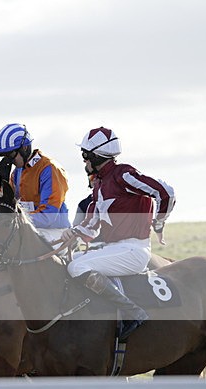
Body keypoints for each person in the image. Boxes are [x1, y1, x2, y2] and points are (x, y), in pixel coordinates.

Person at [61, 127, 175, 340]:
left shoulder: (123, 174)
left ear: (95, 155)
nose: (84, 162)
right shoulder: (100, 185)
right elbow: (91, 225)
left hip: (133, 251)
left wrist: (158, 223)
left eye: (85, 156)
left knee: (77, 266)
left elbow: (165, 193)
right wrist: (72, 233)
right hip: (115, 249)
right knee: (67, 263)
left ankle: (134, 313)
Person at [0, 123, 71, 242]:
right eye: (4, 156)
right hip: (29, 228)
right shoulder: (16, 173)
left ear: (24, 148)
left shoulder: (50, 169)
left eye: (11, 155)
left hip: (55, 232)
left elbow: (47, 217)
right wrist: (3, 181)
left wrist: (17, 220)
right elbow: (6, 207)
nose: (9, 161)